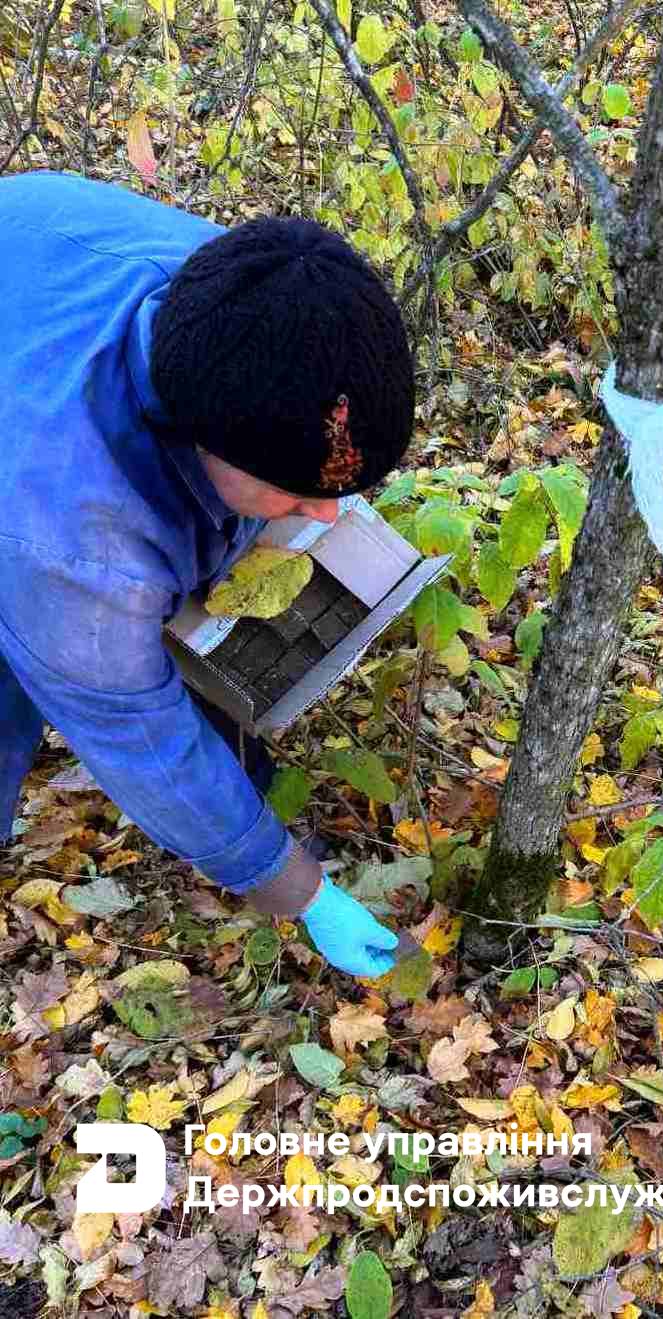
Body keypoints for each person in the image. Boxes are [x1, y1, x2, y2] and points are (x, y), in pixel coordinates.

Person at [0, 170, 413, 977]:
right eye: (296, 493)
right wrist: (299, 890)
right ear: (202, 438)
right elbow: (139, 736)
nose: (321, 514)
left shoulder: (243, 302)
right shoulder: (78, 549)